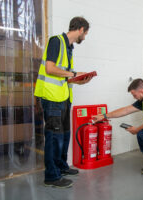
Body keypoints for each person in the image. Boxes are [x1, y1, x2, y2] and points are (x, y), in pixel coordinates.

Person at [34, 16, 93, 187]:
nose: (85, 37)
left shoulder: (69, 48)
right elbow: (50, 68)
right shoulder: (56, 41)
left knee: (65, 135)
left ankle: (61, 166)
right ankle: (51, 176)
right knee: (54, 137)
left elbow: (64, 76)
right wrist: (74, 74)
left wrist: (80, 79)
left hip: (63, 97)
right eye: (86, 33)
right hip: (51, 98)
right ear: (81, 29)